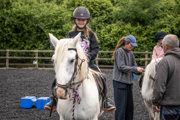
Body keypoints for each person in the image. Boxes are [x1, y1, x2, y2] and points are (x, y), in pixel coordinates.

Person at [44, 6, 115, 112]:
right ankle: (54, 100)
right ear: (74, 20)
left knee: (102, 77)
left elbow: (95, 48)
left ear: (87, 21)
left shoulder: (90, 35)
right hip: (73, 63)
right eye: (79, 20)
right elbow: (65, 49)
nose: (81, 22)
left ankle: (105, 100)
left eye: (83, 20)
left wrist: (88, 57)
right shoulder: (70, 34)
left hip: (88, 63)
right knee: (58, 78)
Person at [112, 35, 145, 120]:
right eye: (131, 44)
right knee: (121, 109)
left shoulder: (131, 53)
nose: (132, 46)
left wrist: (140, 71)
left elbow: (134, 67)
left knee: (129, 109)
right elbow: (121, 67)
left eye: (133, 45)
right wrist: (135, 69)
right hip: (119, 83)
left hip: (129, 84)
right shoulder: (120, 51)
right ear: (126, 43)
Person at [152, 34, 180, 120]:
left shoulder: (165, 62)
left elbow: (159, 86)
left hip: (169, 106)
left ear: (166, 47)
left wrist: (155, 102)